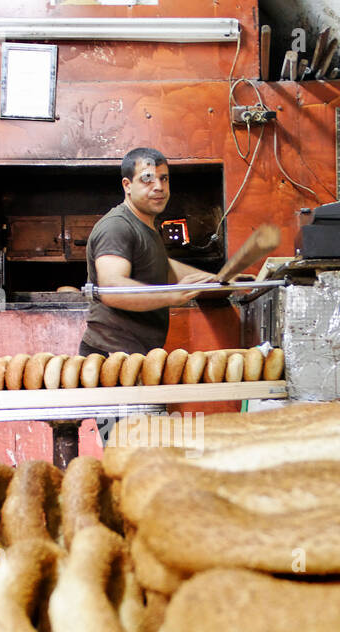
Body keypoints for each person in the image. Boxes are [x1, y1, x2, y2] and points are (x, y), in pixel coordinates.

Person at [80, 147, 216, 443]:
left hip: (137, 358)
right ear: (127, 185)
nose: (159, 187)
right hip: (112, 361)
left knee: (150, 455)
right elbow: (113, 289)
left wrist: (216, 280)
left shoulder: (146, 227)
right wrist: (173, 295)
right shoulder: (117, 227)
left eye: (164, 179)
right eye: (148, 179)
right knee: (128, 457)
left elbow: (162, 268)